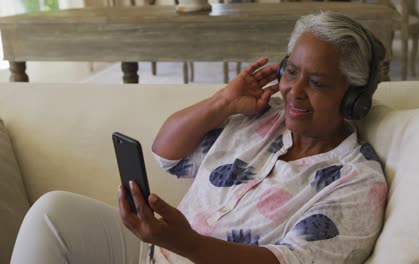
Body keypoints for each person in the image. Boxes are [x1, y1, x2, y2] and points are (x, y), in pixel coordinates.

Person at [11, 11, 387, 264]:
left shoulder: (356, 182)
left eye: (317, 83)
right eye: (291, 72)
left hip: (186, 251)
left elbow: (288, 262)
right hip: (158, 252)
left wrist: (186, 243)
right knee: (52, 212)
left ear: (353, 99)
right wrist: (222, 101)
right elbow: (166, 152)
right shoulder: (259, 120)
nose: (294, 91)